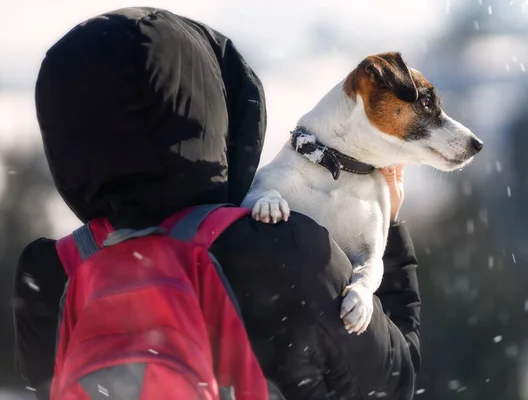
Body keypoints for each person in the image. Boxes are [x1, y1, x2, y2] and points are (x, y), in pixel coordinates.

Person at [13, 7, 421, 400]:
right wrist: (389, 226)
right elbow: (395, 382)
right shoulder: (284, 249)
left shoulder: (49, 273)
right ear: (213, 110)